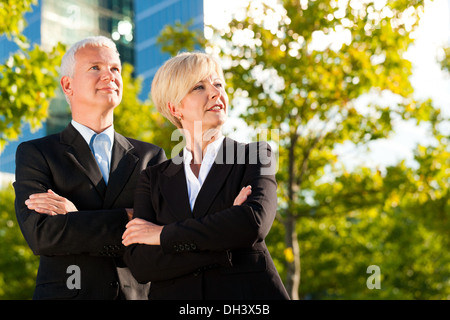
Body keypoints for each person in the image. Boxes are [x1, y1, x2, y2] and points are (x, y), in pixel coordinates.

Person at [122, 52, 289, 300]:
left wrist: (162, 235)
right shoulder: (153, 179)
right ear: (174, 107)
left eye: (218, 84)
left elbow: (251, 224)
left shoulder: (255, 155)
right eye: (199, 86)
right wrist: (223, 240)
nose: (215, 92)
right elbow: (142, 264)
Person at [13, 36, 166, 300]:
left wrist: (74, 218)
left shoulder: (151, 156)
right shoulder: (36, 153)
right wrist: (129, 217)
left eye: (115, 69)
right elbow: (42, 235)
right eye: (95, 67)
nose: (109, 75)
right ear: (68, 85)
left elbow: (163, 234)